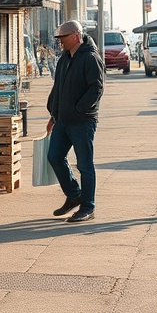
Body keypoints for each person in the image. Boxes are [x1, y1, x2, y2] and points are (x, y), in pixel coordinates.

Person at [45, 19, 105, 223]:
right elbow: (58, 88)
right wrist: (54, 114)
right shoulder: (64, 58)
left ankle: (88, 207)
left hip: (82, 122)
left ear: (75, 36)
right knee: (54, 156)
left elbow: (96, 88)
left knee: (85, 164)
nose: (60, 42)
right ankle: (74, 195)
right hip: (62, 120)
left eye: (62, 38)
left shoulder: (90, 58)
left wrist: (79, 109)